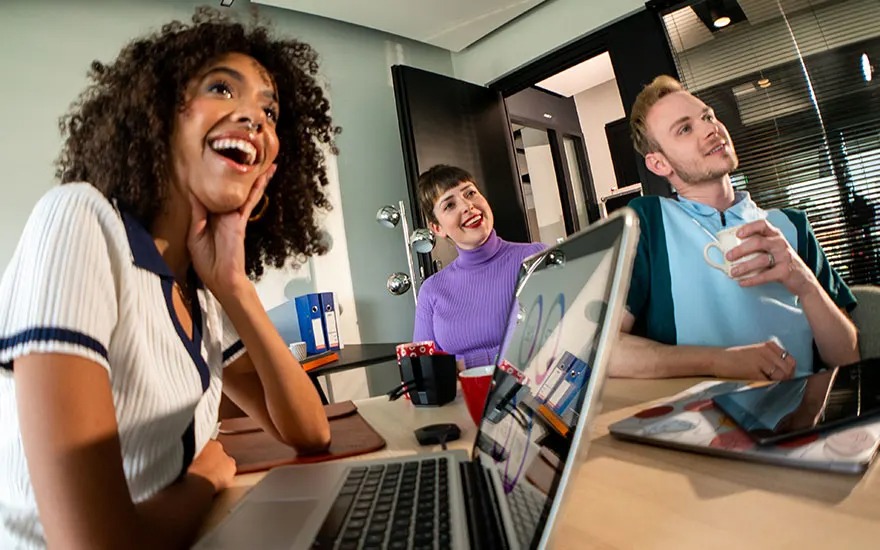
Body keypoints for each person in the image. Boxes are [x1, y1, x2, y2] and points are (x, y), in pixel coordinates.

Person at [0, 9, 337, 548]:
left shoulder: (200, 290)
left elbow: (309, 432)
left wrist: (232, 285)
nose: (255, 119)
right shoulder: (79, 221)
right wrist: (204, 478)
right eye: (222, 88)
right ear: (160, 114)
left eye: (268, 111)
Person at [613, 75, 859, 381]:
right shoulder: (647, 221)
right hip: (701, 418)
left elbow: (848, 358)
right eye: (685, 128)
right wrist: (718, 362)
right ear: (660, 164)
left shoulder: (791, 225)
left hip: (803, 411)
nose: (710, 129)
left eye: (708, 116)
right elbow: (606, 353)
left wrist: (804, 282)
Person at [413, 165, 546, 369]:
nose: (467, 206)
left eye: (470, 193)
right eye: (449, 205)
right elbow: (425, 369)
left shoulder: (534, 258)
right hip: (460, 400)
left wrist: (462, 365)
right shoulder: (431, 290)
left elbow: (545, 344)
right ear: (437, 228)